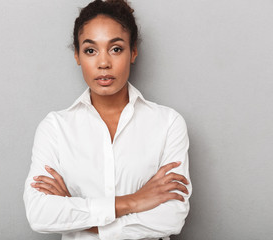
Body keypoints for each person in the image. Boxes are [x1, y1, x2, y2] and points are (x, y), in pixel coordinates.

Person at [23, 0, 192, 239]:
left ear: (133, 52)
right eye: (90, 50)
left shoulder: (168, 124)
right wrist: (134, 202)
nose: (103, 63)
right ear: (77, 55)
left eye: (116, 49)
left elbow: (171, 218)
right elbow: (40, 214)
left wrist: (77, 215)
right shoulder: (55, 128)